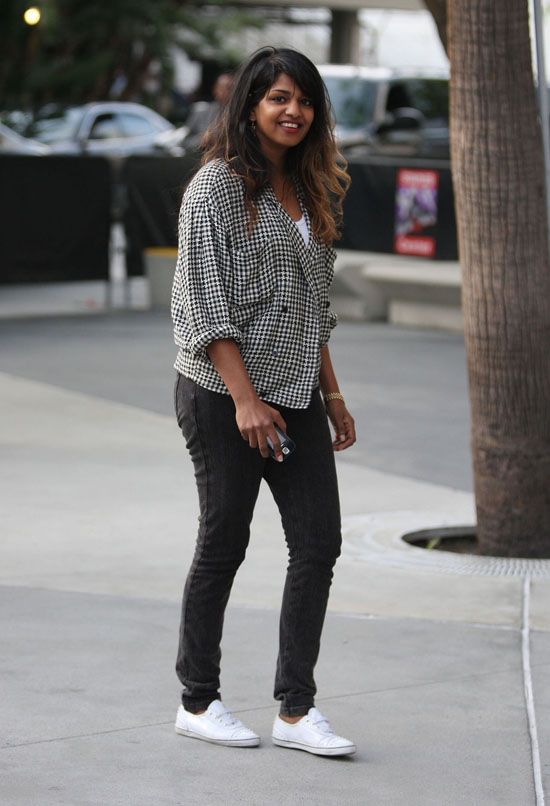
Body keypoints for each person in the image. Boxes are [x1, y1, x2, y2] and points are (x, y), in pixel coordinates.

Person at [171, 46, 357, 757]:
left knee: (318, 542)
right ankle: (198, 699)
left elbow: (313, 310)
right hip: (223, 394)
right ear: (249, 105)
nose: (293, 111)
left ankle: (295, 710)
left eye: (305, 100)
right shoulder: (216, 188)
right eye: (279, 97)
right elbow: (206, 303)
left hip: (296, 394)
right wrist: (247, 402)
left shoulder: (312, 192)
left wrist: (332, 393)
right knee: (225, 540)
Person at [182, 72, 235, 151]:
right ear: (215, 89)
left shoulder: (240, 115)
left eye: (230, 88)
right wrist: (202, 140)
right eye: (223, 88)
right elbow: (185, 142)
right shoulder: (201, 113)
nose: (226, 92)